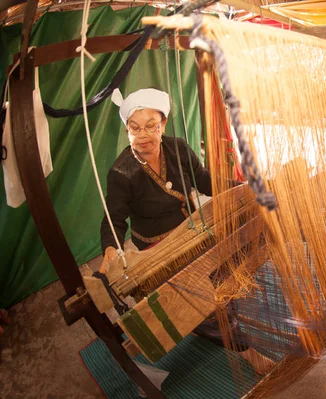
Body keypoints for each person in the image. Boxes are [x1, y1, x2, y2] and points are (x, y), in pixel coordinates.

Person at [99, 88, 274, 375]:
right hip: (159, 251)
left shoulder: (177, 148)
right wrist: (110, 249)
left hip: (193, 235)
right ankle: (247, 352)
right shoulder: (122, 173)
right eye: (134, 128)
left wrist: (244, 189)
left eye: (150, 126)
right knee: (206, 303)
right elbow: (113, 220)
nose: (142, 135)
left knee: (228, 276)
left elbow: (204, 182)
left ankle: (218, 322)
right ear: (126, 129)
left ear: (163, 124)